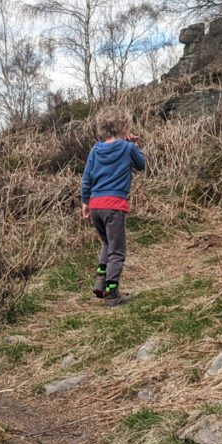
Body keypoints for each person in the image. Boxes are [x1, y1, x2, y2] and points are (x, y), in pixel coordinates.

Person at [80, 106, 145, 306]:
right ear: (123, 128)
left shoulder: (95, 150)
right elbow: (141, 165)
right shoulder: (128, 148)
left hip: (96, 204)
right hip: (114, 205)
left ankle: (101, 278)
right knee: (117, 249)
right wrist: (134, 145)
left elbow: (86, 178)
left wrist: (85, 202)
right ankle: (112, 293)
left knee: (107, 243)